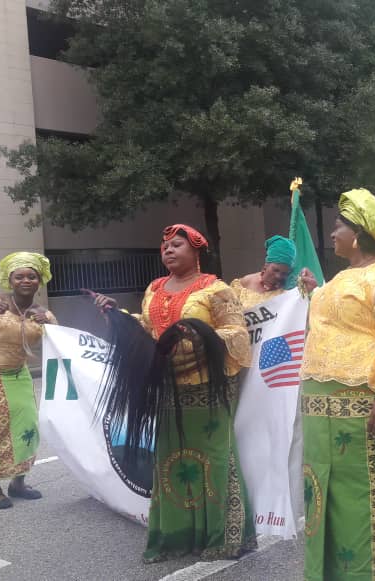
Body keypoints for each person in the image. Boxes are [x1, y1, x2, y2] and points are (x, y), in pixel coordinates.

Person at [91, 224, 256, 562]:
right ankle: (176, 536)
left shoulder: (216, 289)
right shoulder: (153, 288)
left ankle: (223, 536)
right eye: (164, 246)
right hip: (168, 390)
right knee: (170, 463)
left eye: (177, 245)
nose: (168, 250)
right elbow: (146, 330)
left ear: (196, 251)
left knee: (215, 460)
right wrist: (117, 317)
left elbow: (237, 336)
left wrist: (195, 336)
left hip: (208, 390)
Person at [299, 189, 375, 581]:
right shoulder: (341, 277)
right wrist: (310, 290)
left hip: (363, 401)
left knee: (367, 491)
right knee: (322, 491)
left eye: (338, 227)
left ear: (359, 233)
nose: (332, 234)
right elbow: (333, 322)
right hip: (320, 406)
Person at [0, 252, 55, 509]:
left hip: (18, 374)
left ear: (39, 281)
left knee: (27, 426)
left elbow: (59, 345)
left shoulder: (42, 314)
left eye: (32, 276)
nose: (26, 280)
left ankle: (18, 482)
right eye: (20, 276)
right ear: (10, 280)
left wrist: (49, 326)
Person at [230, 235, 296, 308]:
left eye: (284, 273)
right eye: (275, 270)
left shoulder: (289, 292)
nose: (278, 276)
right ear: (266, 265)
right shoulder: (247, 281)